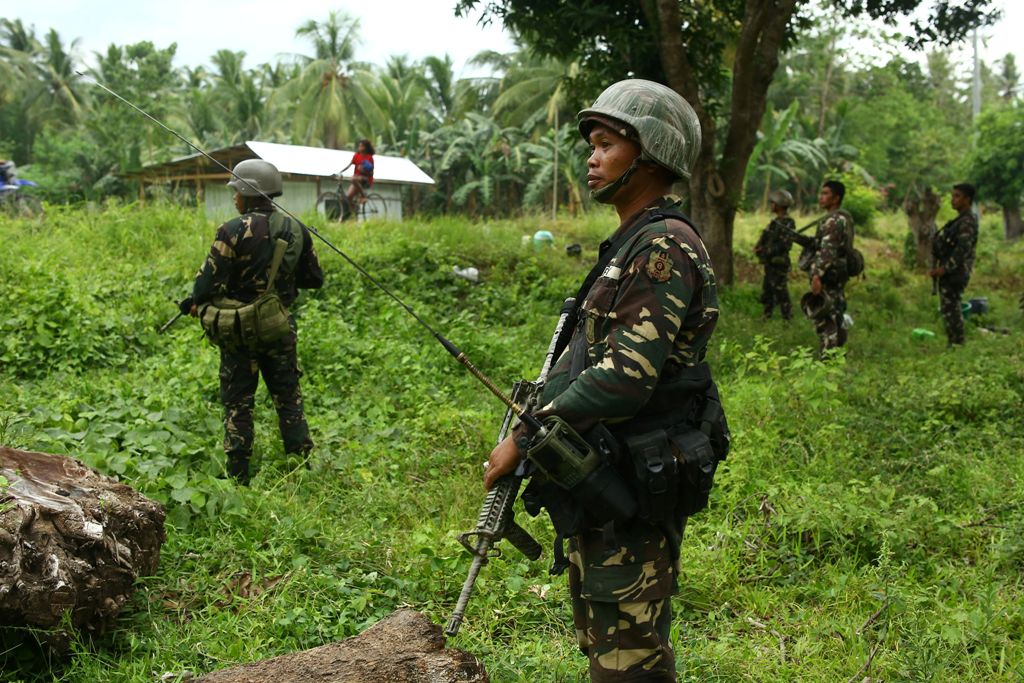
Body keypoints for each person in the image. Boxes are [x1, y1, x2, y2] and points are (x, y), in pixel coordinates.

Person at [484, 79, 728, 682]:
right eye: (591, 145)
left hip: (631, 479)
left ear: (649, 154)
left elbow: (625, 377)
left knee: (629, 661)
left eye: (605, 144)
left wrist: (524, 438)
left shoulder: (660, 246)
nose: (591, 158)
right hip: (604, 472)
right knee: (610, 645)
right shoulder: (633, 240)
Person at [181, 159, 323, 484]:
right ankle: (300, 465)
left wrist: (197, 302)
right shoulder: (296, 229)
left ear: (247, 193)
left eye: (236, 191)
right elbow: (314, 279)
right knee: (288, 397)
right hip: (279, 329)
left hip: (239, 332)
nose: (234, 198)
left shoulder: (231, 231)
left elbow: (205, 286)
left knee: (238, 403)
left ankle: (238, 477)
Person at [799, 180, 854, 355]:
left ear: (836, 198)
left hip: (828, 276)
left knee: (826, 320)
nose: (821, 197)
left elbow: (827, 251)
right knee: (836, 315)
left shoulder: (834, 220)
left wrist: (817, 276)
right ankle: (837, 356)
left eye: (825, 194)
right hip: (836, 275)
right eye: (821, 193)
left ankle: (828, 361)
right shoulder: (838, 219)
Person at [929, 183, 979, 346]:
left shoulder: (967, 221)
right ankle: (954, 342)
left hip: (956, 271)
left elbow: (962, 249)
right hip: (951, 271)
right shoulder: (959, 220)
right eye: (953, 196)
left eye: (957, 196)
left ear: (967, 199)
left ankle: (957, 343)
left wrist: (945, 269)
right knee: (948, 308)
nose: (953, 199)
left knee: (952, 308)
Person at [754, 189, 797, 320]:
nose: (771, 205)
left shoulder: (788, 222)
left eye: (773, 203)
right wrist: (759, 248)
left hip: (779, 262)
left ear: (779, 204)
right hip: (770, 262)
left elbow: (784, 245)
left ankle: (787, 317)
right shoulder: (774, 222)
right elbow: (765, 239)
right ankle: (767, 315)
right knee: (768, 289)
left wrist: (765, 251)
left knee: (780, 290)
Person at [340, 138, 375, 210]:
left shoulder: (369, 158)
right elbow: (349, 165)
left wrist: (363, 171)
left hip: (366, 180)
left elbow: (371, 173)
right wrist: (340, 172)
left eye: (361, 146)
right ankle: (353, 211)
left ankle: (363, 196)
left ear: (365, 148)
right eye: (359, 146)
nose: (360, 148)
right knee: (348, 197)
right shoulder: (356, 156)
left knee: (353, 178)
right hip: (356, 180)